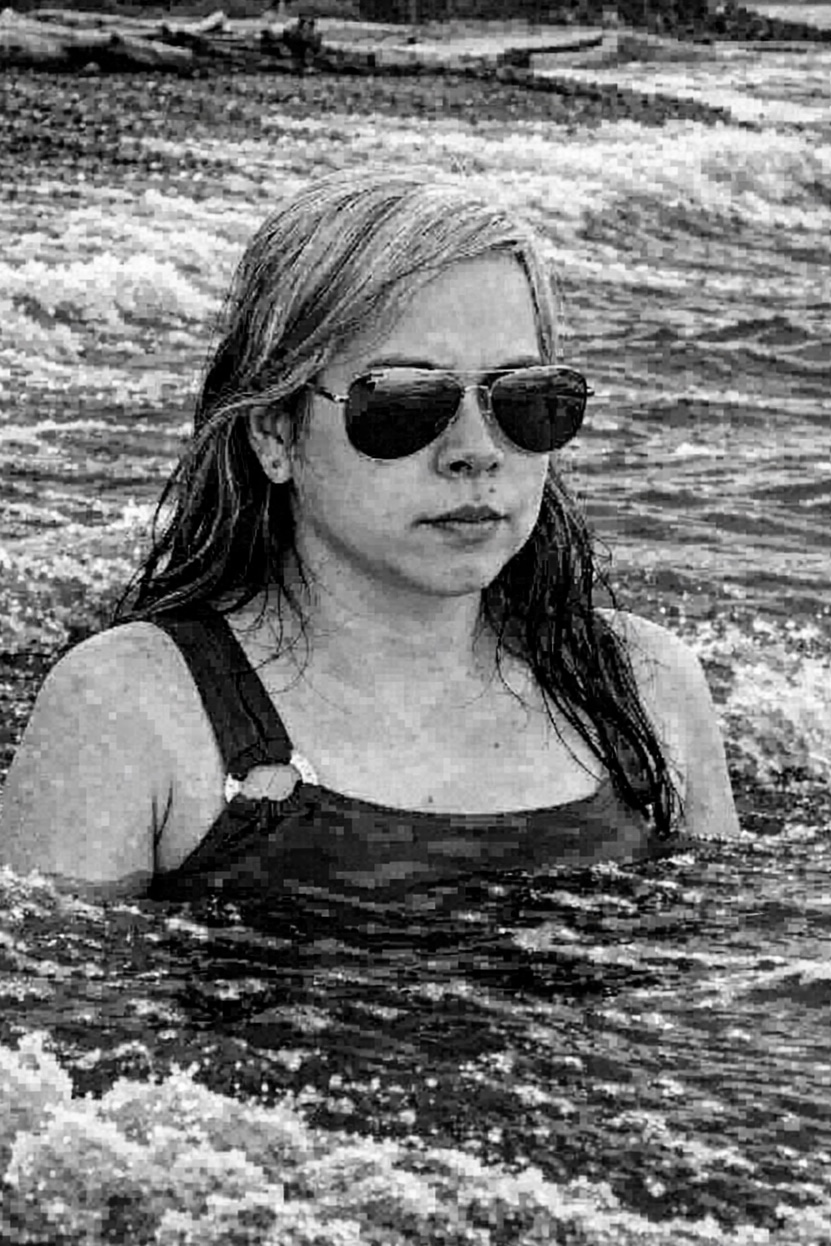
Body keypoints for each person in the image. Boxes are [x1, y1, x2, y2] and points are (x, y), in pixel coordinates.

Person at [0, 170, 740, 905]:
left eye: (525, 399)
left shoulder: (644, 690)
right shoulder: (133, 709)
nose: (476, 450)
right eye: (404, 402)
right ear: (275, 434)